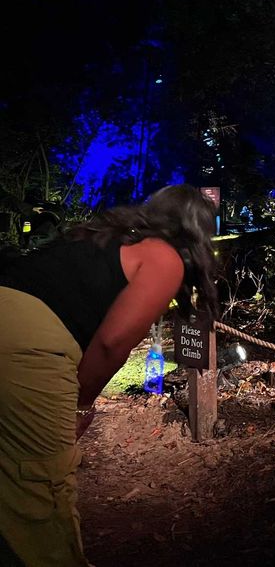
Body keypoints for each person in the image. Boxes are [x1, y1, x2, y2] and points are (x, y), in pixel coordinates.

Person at [0, 185, 218, 566]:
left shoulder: (103, 237)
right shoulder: (164, 258)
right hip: (29, 345)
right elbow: (112, 342)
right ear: (197, 231)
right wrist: (81, 404)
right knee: (41, 481)